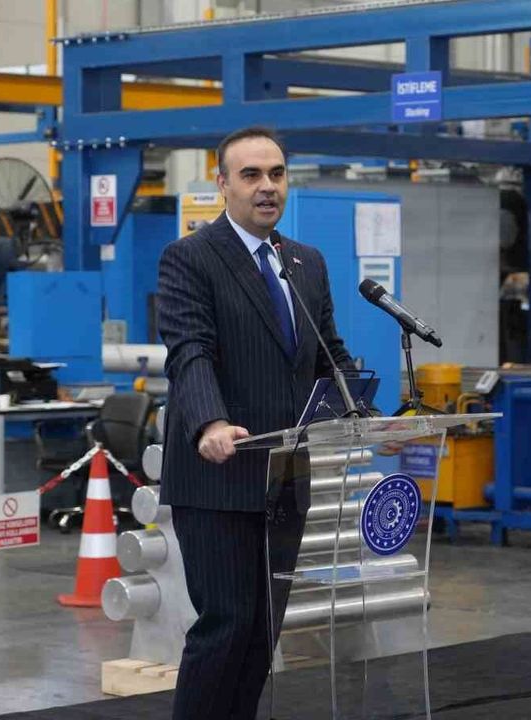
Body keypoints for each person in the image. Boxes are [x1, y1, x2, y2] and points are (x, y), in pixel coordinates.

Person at [156, 126, 354, 719]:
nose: (267, 187)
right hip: (219, 474)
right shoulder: (190, 258)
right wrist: (209, 422)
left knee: (264, 628)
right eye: (251, 175)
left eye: (277, 173)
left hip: (285, 478)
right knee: (227, 624)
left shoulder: (306, 263)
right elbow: (189, 350)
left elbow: (328, 353)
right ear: (222, 184)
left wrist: (365, 412)